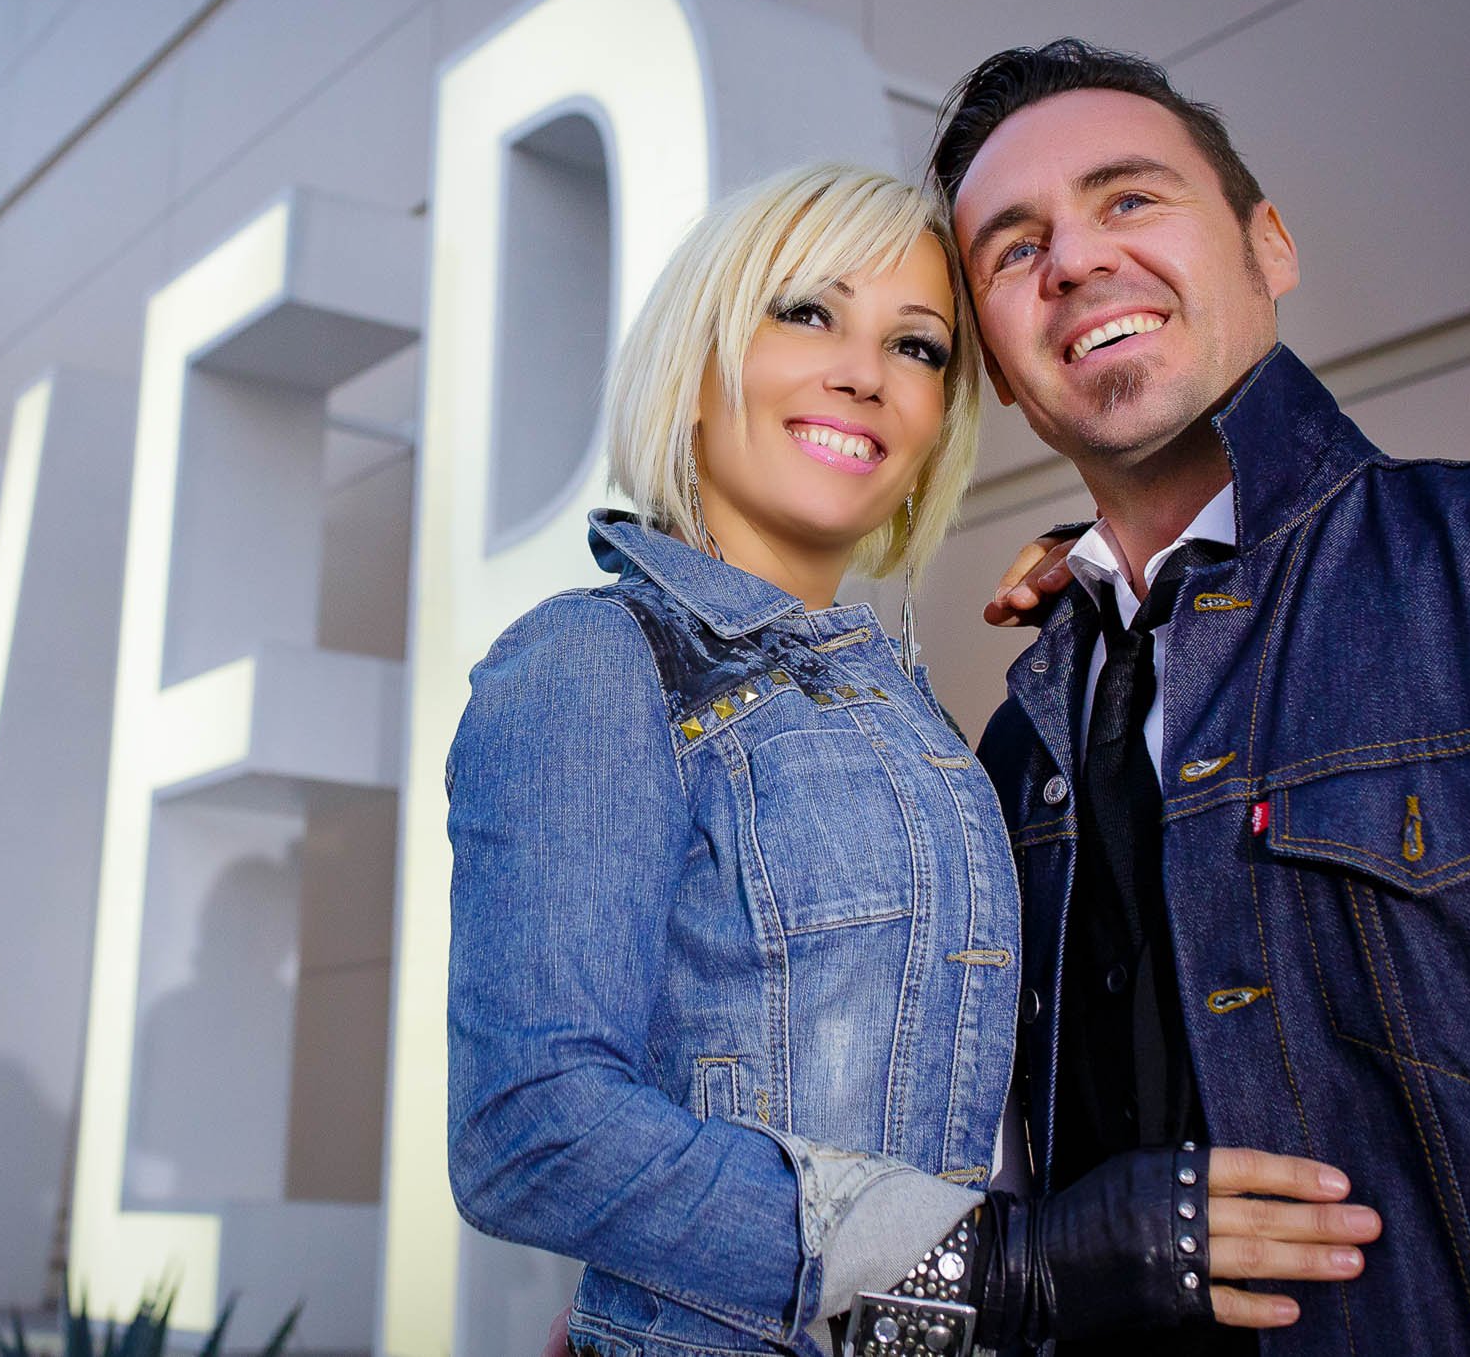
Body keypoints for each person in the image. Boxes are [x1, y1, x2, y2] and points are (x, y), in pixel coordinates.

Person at [446, 162, 1377, 1357]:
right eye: (805, 313)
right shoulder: (597, 659)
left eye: (920, 347)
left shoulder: (920, 715)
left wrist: (1118, 604)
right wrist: (1012, 1266)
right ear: (689, 367)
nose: (864, 372)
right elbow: (530, 1131)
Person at [933, 40, 1470, 1355]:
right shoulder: (1019, 740)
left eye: (1130, 197)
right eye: (1012, 248)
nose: (1077, 259)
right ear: (994, 360)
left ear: (1269, 244)